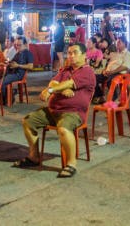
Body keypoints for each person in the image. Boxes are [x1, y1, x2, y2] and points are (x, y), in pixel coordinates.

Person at [15, 43, 96, 178]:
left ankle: (71, 164)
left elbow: (68, 84)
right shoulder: (65, 70)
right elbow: (53, 82)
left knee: (63, 129)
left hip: (73, 112)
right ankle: (34, 156)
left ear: (84, 55)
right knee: (28, 121)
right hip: (54, 110)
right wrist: (61, 88)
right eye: (69, 53)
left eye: (75, 52)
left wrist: (52, 90)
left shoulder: (87, 71)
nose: (71, 56)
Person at [93, 37, 130, 104]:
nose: (117, 43)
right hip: (108, 73)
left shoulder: (127, 54)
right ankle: (100, 96)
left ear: (125, 44)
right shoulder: (114, 54)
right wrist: (105, 70)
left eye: (119, 42)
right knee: (93, 78)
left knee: (110, 80)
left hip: (119, 73)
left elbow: (125, 67)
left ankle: (114, 99)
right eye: (117, 42)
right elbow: (109, 63)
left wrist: (112, 72)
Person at [1, 38, 34, 104]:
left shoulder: (28, 53)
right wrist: (8, 63)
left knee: (3, 82)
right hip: (12, 72)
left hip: (18, 74)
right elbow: (13, 62)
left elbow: (31, 66)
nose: (17, 46)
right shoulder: (18, 53)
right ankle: (10, 95)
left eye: (19, 45)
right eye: (16, 45)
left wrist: (18, 65)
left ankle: (8, 99)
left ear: (25, 44)